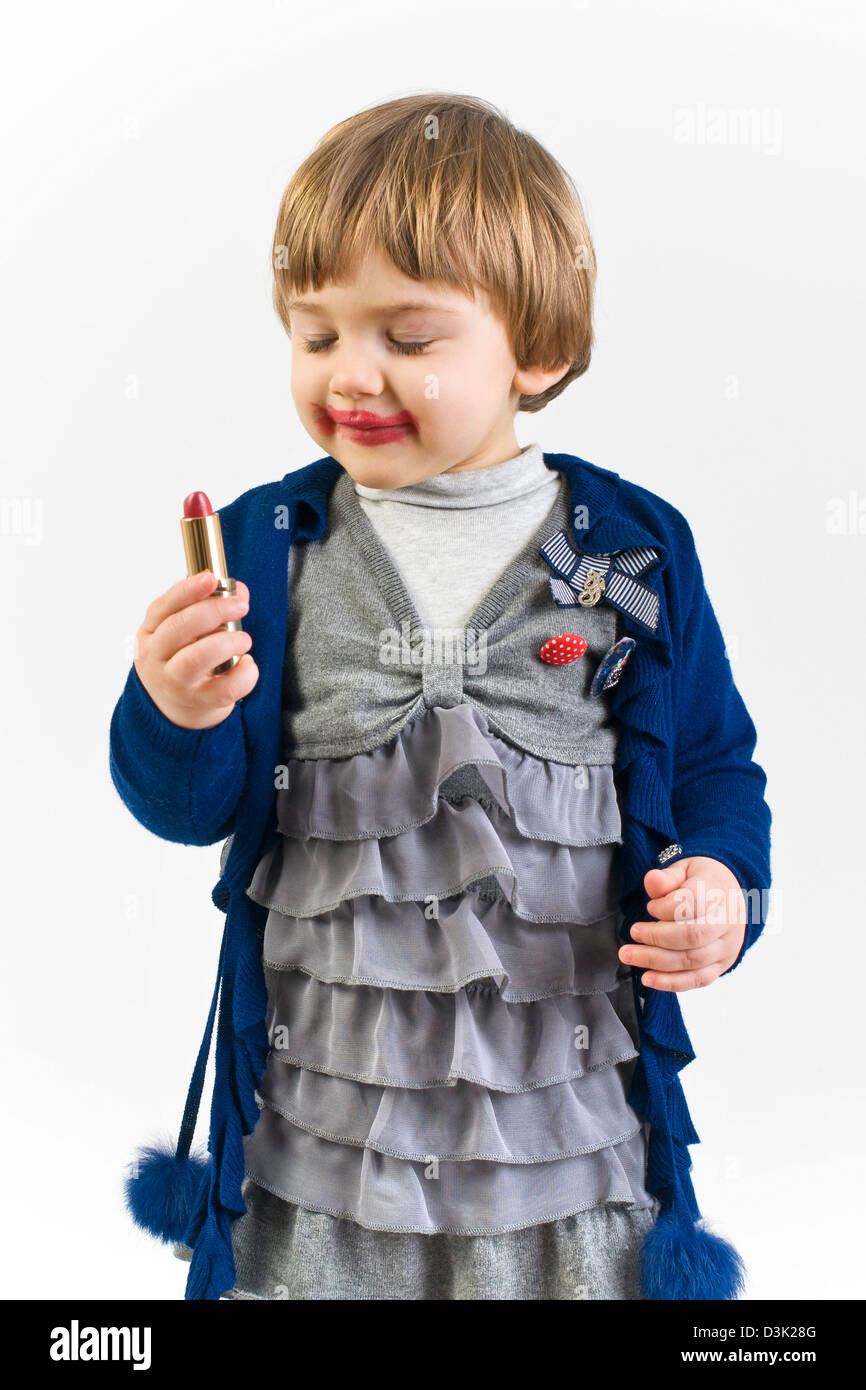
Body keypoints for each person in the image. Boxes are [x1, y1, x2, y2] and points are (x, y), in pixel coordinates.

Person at [109, 92, 772, 1301]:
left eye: (407, 339)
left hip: (556, 1133)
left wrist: (722, 888)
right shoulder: (269, 541)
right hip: (324, 1133)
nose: (349, 374)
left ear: (537, 351)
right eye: (314, 335)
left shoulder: (630, 547)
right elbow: (191, 807)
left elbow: (716, 765)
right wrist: (176, 711)